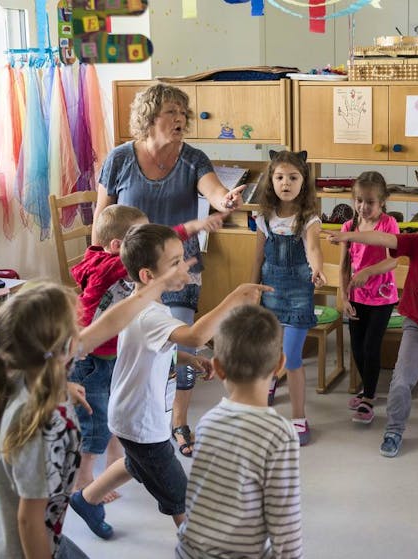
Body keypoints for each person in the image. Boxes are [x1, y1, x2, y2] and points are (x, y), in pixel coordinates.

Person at [0, 264, 192, 559]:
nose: (85, 329)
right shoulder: (46, 423)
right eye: (78, 324)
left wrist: (157, 284)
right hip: (23, 547)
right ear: (67, 345)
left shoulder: (17, 375)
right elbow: (29, 520)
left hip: (2, 538)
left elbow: (110, 323)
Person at [71, 223, 270, 539]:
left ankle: (86, 499)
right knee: (180, 495)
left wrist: (188, 358)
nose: (185, 268)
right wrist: (234, 298)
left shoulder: (137, 303)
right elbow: (195, 334)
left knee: (138, 465)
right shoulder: (151, 314)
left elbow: (147, 350)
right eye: (175, 262)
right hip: (140, 420)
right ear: (148, 276)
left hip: (128, 414)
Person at [93, 83, 243, 457]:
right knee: (132, 350)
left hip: (179, 268)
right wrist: (96, 263)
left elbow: (212, 192)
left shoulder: (193, 158)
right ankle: (131, 423)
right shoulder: (120, 159)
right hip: (131, 272)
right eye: (170, 112)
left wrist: (224, 199)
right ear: (149, 117)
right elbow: (101, 218)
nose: (179, 119)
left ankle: (178, 419)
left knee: (182, 337)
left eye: (182, 112)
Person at [69, 204, 217, 496]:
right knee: (97, 422)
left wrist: (184, 357)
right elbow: (196, 335)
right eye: (138, 236)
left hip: (110, 353)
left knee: (114, 420)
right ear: (117, 246)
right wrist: (194, 227)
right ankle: (84, 480)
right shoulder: (110, 265)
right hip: (92, 357)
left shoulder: (142, 299)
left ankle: (106, 477)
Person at [328, 195, 418, 458]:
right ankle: (394, 430)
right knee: (401, 382)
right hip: (416, 329)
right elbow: (384, 239)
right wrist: (349, 237)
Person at [177, 304, 303, 559]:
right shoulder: (279, 434)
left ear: (217, 367)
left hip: (188, 550)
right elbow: (285, 523)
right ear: (280, 365)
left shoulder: (207, 421)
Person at [251, 150, 326, 445]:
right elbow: (257, 258)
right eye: (280, 177)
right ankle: (270, 382)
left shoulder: (309, 219)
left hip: (298, 295)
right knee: (270, 352)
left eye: (293, 177)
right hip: (269, 292)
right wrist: (251, 288)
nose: (286, 183)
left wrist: (318, 267)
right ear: (271, 180)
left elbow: (314, 250)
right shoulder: (263, 217)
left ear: (303, 181)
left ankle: (298, 416)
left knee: (292, 357)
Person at [340, 171, 399, 424]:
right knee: (356, 347)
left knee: (371, 347)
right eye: (359, 201)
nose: (363, 207)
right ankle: (368, 387)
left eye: (370, 202)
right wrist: (343, 296)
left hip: (382, 299)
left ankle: (369, 398)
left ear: (382, 201)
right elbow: (343, 266)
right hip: (356, 297)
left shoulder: (388, 224)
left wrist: (369, 271)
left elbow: (394, 260)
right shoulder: (348, 227)